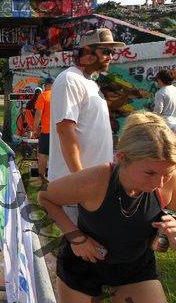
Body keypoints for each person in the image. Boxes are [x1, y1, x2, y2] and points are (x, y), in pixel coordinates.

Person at [38, 111, 176, 303]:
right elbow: (45, 196)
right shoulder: (97, 179)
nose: (159, 183)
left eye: (167, 173)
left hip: (134, 267)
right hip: (84, 265)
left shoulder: (168, 180)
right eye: (149, 173)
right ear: (121, 158)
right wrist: (75, 237)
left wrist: (173, 228)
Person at [49, 28, 125, 223]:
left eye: (112, 52)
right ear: (87, 52)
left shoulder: (89, 83)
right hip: (78, 188)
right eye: (106, 51)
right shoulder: (69, 80)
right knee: (79, 239)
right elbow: (66, 132)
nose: (111, 56)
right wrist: (80, 181)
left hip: (93, 186)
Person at [33, 77, 54, 184]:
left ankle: (42, 178)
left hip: (47, 131)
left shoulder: (43, 95)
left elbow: (38, 113)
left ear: (47, 85)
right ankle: (56, 178)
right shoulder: (61, 96)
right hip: (59, 131)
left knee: (42, 154)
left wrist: (35, 129)